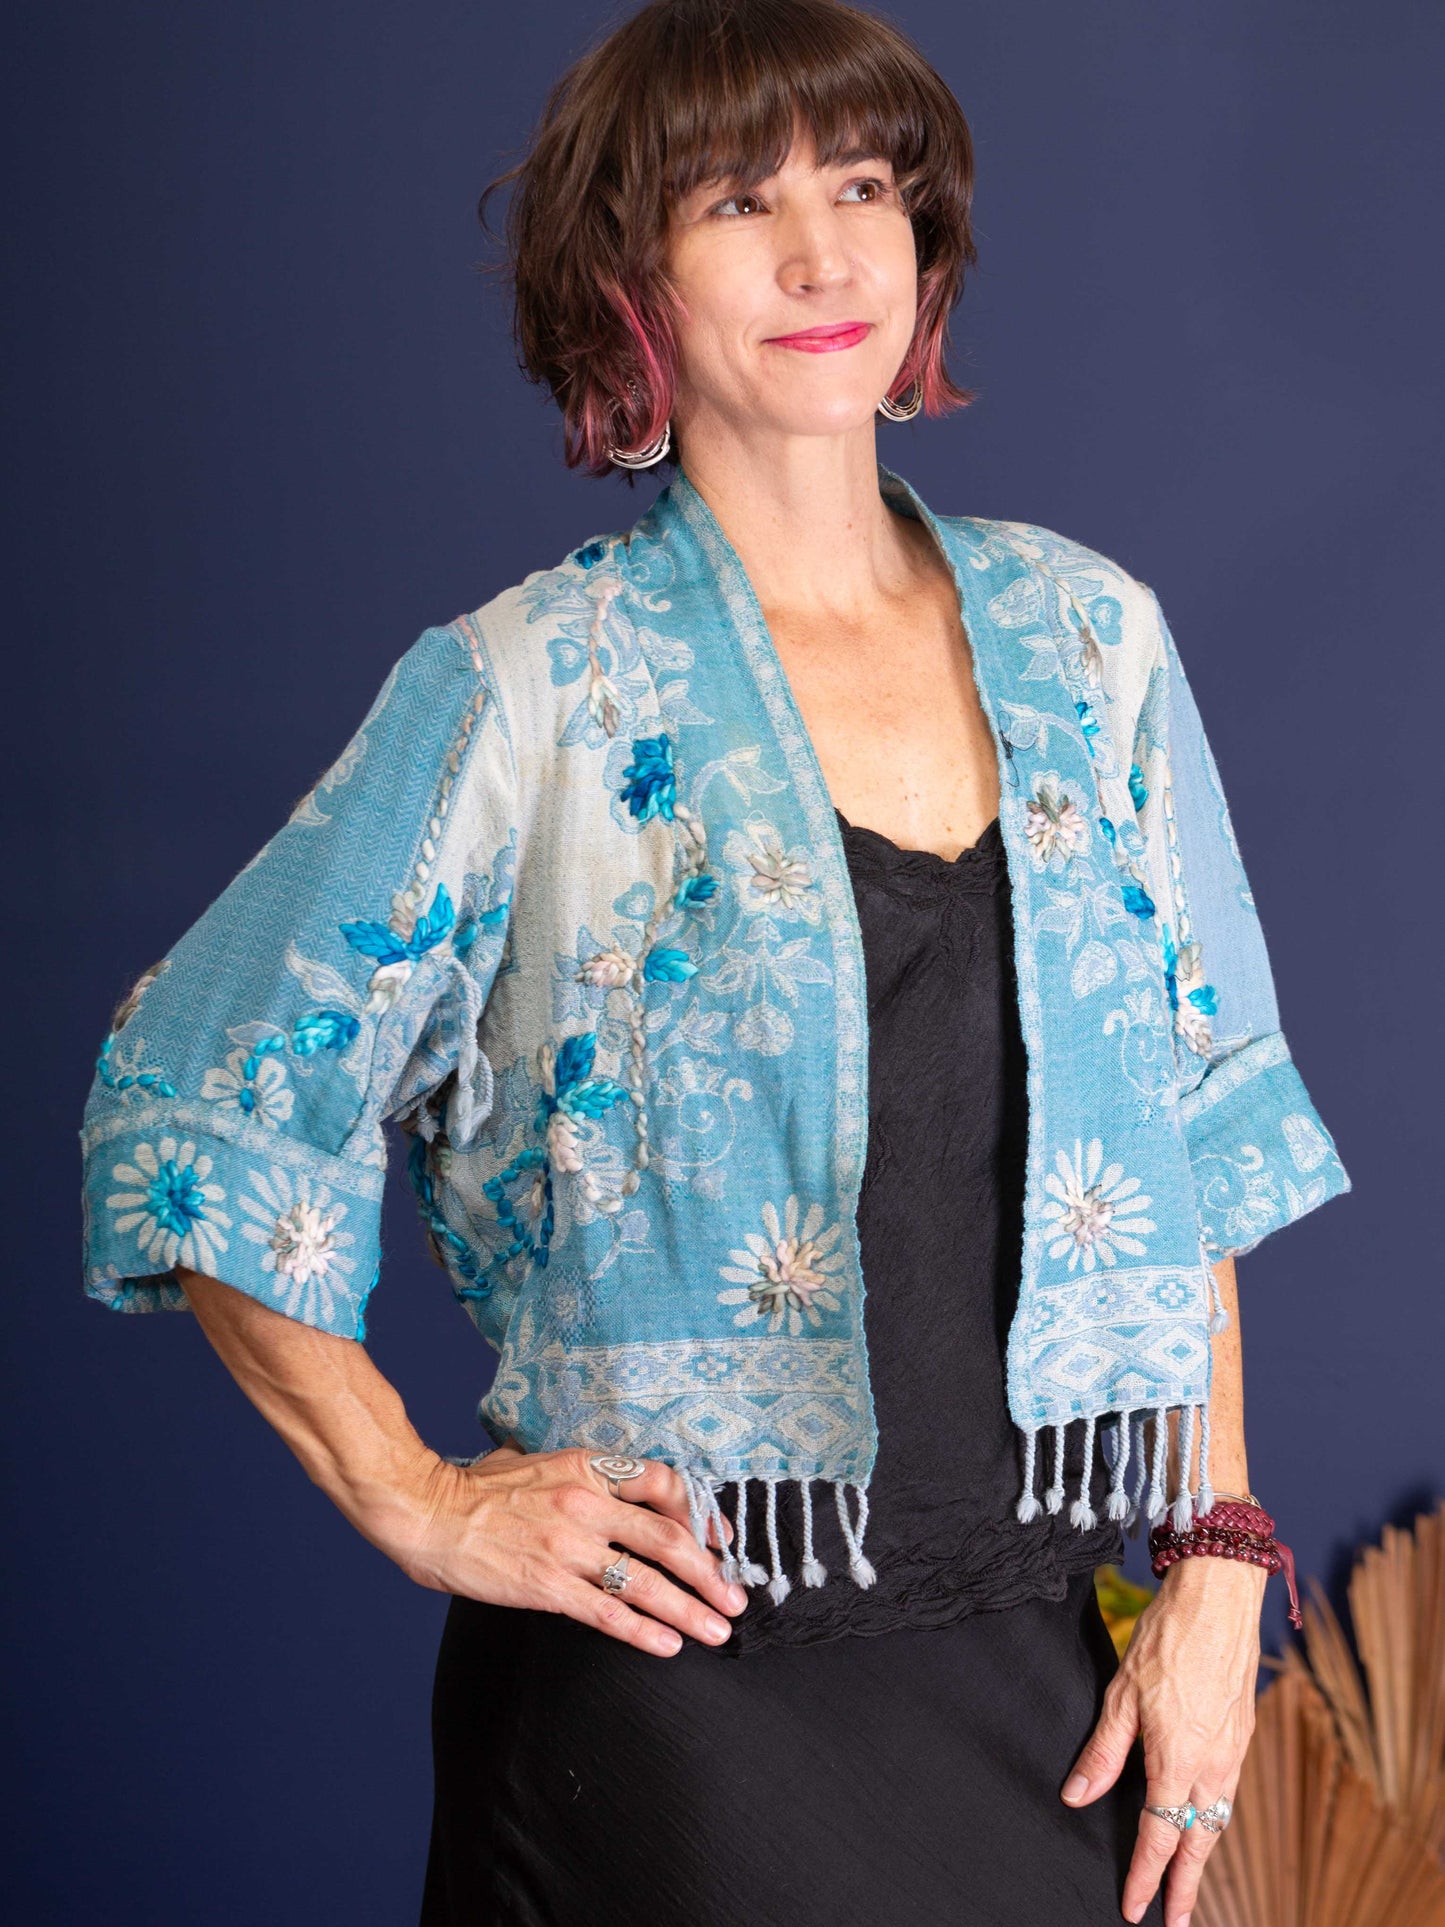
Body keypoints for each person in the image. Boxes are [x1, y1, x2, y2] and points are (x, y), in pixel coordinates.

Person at [79, 2, 1351, 1921]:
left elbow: (1189, 1131)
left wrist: (1218, 1558)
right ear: (628, 283)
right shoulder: (529, 690)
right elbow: (194, 1099)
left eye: (865, 188)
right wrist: (412, 1494)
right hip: (674, 1706)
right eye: (740, 203)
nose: (825, 254)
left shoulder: (1092, 640)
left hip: (1038, 1663)